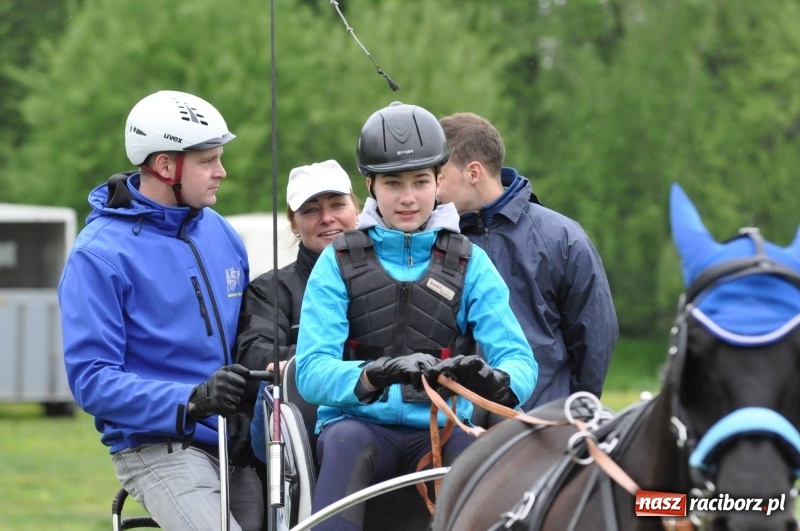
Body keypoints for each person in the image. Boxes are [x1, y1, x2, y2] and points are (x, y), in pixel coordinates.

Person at [291, 102, 538, 531]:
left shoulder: (471, 263)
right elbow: (311, 373)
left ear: (439, 180)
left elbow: (520, 359)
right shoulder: (337, 262)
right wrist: (376, 374)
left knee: (489, 460)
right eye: (393, 183)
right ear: (370, 185)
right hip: (358, 428)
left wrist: (497, 382)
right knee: (347, 441)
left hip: (443, 430)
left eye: (421, 182)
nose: (408, 198)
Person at [59, 90, 263, 531]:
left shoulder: (220, 231)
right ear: (166, 166)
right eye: (208, 160)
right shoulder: (98, 256)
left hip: (239, 442)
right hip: (158, 446)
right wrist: (190, 400)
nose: (222, 172)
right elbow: (91, 380)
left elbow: (247, 335)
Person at [437, 112, 619, 411]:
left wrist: (566, 410)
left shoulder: (562, 237)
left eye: (439, 175)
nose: (432, 186)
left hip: (543, 425)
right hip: (453, 425)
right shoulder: (430, 237)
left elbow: (595, 337)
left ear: (473, 172)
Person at [236, 159, 360, 463]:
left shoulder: (393, 273)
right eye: (311, 210)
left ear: (356, 210)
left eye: (337, 205)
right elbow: (255, 353)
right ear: (293, 222)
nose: (327, 218)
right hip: (300, 436)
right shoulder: (270, 289)